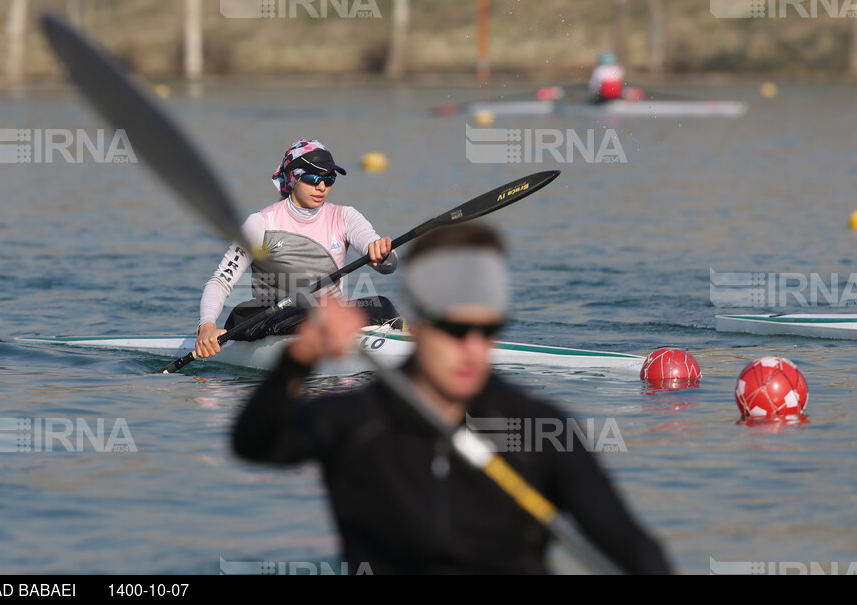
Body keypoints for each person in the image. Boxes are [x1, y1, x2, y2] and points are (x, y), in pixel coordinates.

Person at [232, 223, 673, 575]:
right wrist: (299, 359)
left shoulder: (541, 429)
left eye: (488, 331)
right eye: (456, 331)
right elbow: (252, 444)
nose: (473, 349)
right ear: (418, 324)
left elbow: (632, 546)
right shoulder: (354, 420)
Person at [196, 139, 399, 359]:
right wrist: (206, 326)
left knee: (383, 306)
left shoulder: (345, 217)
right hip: (272, 315)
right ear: (293, 178)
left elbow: (388, 264)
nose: (321, 187)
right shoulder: (260, 223)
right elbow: (221, 280)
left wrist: (383, 254)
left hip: (328, 316)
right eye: (313, 178)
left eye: (329, 179)